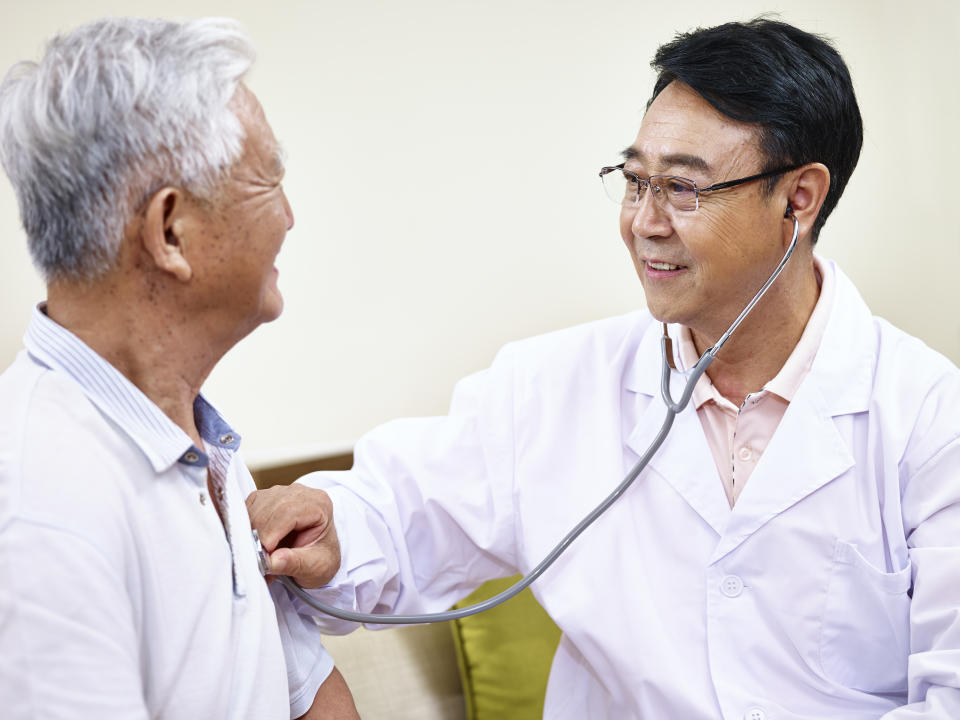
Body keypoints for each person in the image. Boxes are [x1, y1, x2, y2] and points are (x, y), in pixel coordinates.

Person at [248, 18, 960, 720]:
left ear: (799, 198)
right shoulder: (553, 386)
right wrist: (332, 529)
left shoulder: (929, 421)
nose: (644, 223)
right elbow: (400, 514)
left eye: (684, 190)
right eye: (634, 181)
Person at [0, 18, 359, 720]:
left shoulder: (197, 442)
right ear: (170, 232)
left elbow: (307, 690)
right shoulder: (37, 511)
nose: (289, 217)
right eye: (268, 182)